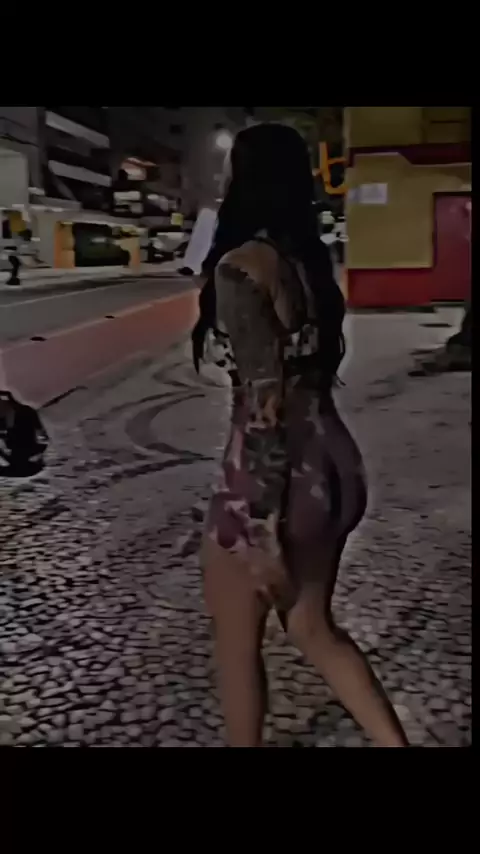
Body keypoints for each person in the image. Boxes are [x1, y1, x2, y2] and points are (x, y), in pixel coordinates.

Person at [193, 123, 408, 748]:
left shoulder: (241, 269)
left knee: (236, 645)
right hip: (333, 462)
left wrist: (260, 531)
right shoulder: (309, 264)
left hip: (271, 479)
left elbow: (264, 407)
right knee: (312, 627)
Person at [0, 390, 48, 478]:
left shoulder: (32, 453)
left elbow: (42, 446)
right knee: (20, 414)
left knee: (22, 414)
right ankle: (11, 399)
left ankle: (11, 399)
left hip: (21, 434)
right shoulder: (17, 461)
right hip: (18, 434)